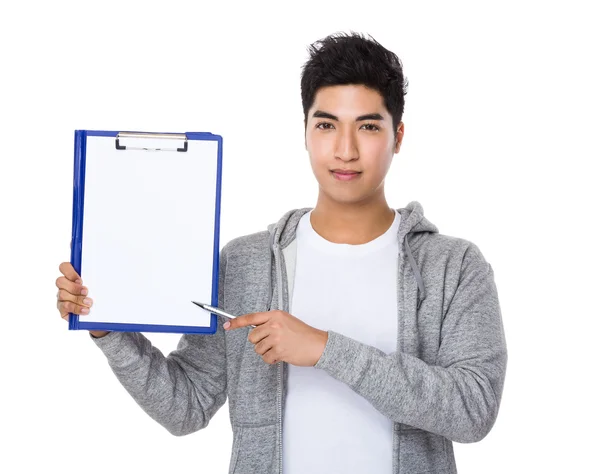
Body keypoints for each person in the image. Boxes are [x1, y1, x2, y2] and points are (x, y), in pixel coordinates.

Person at [55, 31, 507, 474]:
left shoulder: (454, 266)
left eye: (368, 126)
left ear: (398, 136)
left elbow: (473, 409)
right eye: (326, 125)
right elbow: (186, 406)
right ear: (306, 132)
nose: (345, 150)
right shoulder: (245, 262)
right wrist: (108, 328)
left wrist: (324, 348)